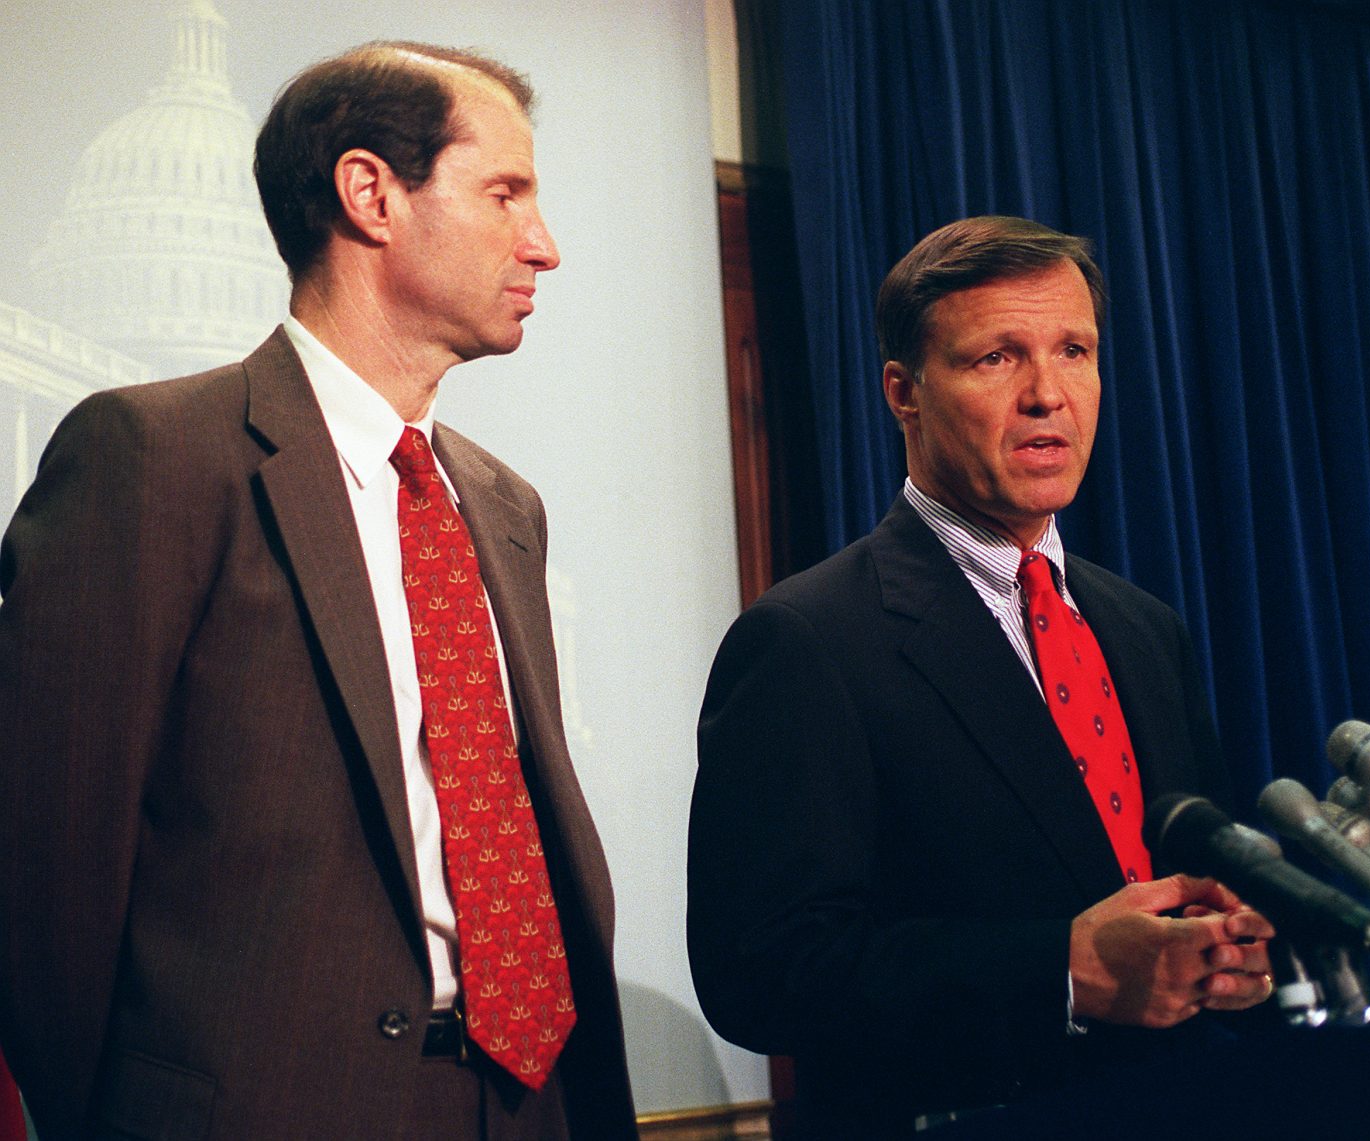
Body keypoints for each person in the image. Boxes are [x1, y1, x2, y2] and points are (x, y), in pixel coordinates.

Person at [0, 42, 636, 1140]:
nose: (545, 245)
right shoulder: (152, 457)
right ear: (370, 194)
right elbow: (46, 869)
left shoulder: (503, 504)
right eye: (504, 194)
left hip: (533, 1103)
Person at [687, 216, 1274, 1138]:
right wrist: (1060, 970)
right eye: (998, 357)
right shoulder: (808, 639)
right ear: (904, 393)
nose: (1049, 394)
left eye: (1074, 350)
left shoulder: (1143, 626)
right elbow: (762, 972)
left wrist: (1227, 952)